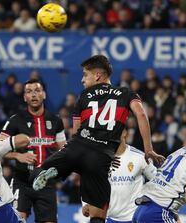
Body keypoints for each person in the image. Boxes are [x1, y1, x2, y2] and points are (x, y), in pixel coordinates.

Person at [32, 55, 164, 223]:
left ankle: (56, 171)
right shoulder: (126, 93)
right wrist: (148, 148)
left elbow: (76, 132)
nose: (82, 80)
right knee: (98, 214)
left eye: (85, 75)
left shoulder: (83, 97)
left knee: (67, 159)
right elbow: (141, 114)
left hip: (80, 146)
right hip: (102, 152)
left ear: (97, 76)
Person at [0, 79, 66, 222]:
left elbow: (64, 150)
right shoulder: (15, 120)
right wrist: (18, 155)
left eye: (37, 91)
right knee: (17, 220)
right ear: (24, 97)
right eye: (29, 92)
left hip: (46, 182)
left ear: (44, 95)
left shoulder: (56, 121)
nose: (34, 95)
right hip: (22, 181)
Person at [82, 129, 157, 223]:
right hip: (109, 218)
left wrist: (150, 199)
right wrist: (85, 203)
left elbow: (156, 180)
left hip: (135, 217)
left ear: (125, 133)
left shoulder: (140, 157)